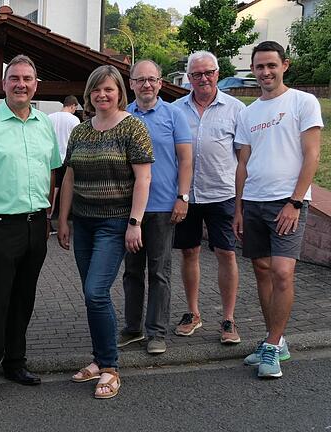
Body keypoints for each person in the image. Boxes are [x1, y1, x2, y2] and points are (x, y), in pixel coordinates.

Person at [0, 55, 61, 401]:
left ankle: (15, 363)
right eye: (14, 78)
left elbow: (52, 170)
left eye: (27, 79)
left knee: (23, 300)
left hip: (36, 224)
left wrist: (47, 213)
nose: (21, 84)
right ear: (3, 85)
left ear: (36, 85)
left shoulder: (43, 123)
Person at [57, 65, 153, 399]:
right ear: (89, 94)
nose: (102, 95)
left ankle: (110, 367)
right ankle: (99, 360)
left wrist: (135, 222)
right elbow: (69, 177)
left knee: (96, 293)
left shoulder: (133, 127)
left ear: (118, 93)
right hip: (82, 223)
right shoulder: (80, 131)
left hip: (114, 224)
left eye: (108, 89)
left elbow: (143, 178)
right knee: (90, 293)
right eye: (96, 90)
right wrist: (62, 220)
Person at [233, 41, 323, 378]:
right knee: (261, 268)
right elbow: (242, 164)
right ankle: (276, 340)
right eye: (259, 67)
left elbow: (312, 154)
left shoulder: (303, 102)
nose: (266, 72)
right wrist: (239, 209)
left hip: (288, 202)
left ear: (284, 65)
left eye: (272, 65)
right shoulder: (248, 112)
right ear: (253, 70)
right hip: (254, 201)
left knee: (283, 272)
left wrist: (295, 201)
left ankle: (271, 346)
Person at [172, 51, 246, 344]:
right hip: (186, 196)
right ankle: (193, 313)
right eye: (196, 74)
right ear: (188, 78)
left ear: (217, 73)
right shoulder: (176, 109)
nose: (203, 78)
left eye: (208, 72)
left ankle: (228, 319)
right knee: (189, 252)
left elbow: (244, 159)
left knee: (226, 253)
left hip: (222, 194)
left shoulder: (237, 109)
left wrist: (242, 202)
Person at [120, 60, 192, 355]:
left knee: (160, 272)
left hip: (163, 206)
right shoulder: (122, 117)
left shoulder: (174, 115)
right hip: (130, 209)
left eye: (152, 79)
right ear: (131, 83)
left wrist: (183, 197)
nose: (147, 84)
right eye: (140, 80)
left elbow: (186, 160)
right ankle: (133, 328)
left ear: (161, 83)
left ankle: (157, 332)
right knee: (132, 272)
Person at [47, 95, 82, 229]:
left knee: (53, 190)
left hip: (52, 158)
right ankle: (64, 219)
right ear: (73, 106)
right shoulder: (74, 120)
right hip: (68, 159)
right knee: (67, 190)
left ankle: (48, 219)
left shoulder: (50, 118)